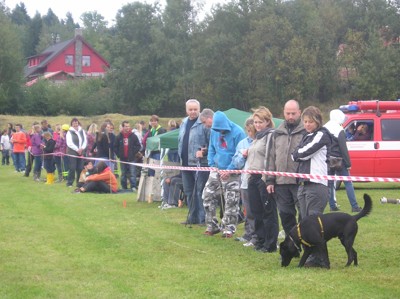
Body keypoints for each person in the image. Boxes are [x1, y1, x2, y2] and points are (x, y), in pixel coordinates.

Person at [291, 106, 331, 268]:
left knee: (315, 224)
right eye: (305, 121)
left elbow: (302, 153)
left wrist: (297, 153)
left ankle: (320, 259)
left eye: (310, 122)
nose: (307, 125)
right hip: (303, 183)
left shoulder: (322, 134)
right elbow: (294, 154)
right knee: (304, 223)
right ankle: (311, 256)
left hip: (317, 184)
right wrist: (297, 153)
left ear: (317, 121)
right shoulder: (306, 136)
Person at [202, 111, 246, 238]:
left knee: (231, 200)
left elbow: (240, 154)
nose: (219, 132)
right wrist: (211, 165)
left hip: (232, 172)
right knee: (207, 196)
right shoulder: (214, 132)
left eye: (222, 129)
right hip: (216, 170)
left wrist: (229, 169)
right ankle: (212, 225)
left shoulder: (238, 132)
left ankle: (229, 228)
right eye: (217, 129)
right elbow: (211, 149)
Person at [266, 99, 305, 237]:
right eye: (288, 113)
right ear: (283, 112)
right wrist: (270, 180)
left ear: (299, 112)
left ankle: (306, 242)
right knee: (285, 215)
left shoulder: (306, 132)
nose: (290, 116)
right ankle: (292, 243)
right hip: (281, 182)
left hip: (299, 182)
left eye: (293, 113)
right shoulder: (277, 133)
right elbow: (270, 157)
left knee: (304, 216)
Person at [245, 106, 279, 252]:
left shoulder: (270, 135)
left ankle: (270, 243)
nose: (257, 125)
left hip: (263, 177)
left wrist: (267, 178)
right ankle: (260, 240)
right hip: (252, 177)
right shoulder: (256, 138)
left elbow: (270, 158)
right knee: (256, 212)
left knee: (268, 212)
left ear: (267, 121)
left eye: (260, 122)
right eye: (256, 122)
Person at [178, 101, 212, 225]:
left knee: (200, 192)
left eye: (195, 109)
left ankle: (203, 219)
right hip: (185, 163)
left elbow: (212, 143)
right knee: (189, 191)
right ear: (186, 110)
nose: (193, 111)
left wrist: (205, 153)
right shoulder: (183, 123)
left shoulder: (204, 124)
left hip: (200, 164)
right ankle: (192, 217)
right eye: (190, 109)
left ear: (199, 109)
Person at [324, 109, 362, 213]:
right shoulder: (339, 129)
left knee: (330, 183)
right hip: (339, 160)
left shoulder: (324, 127)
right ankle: (354, 206)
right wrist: (348, 164)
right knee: (348, 183)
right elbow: (343, 148)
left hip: (327, 159)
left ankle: (332, 206)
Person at [231, 117, 257, 246]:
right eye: (248, 131)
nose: (250, 134)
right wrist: (242, 156)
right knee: (247, 209)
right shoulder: (242, 143)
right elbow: (236, 163)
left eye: (252, 131)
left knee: (255, 209)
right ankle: (248, 234)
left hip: (258, 180)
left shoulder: (261, 141)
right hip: (245, 180)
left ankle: (256, 235)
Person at [114, 121, 141, 192]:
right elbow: (115, 147)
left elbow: (138, 146)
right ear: (123, 127)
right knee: (123, 173)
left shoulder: (133, 136)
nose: (127, 128)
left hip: (131, 158)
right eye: (126, 126)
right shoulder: (119, 137)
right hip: (123, 159)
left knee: (132, 173)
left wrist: (133, 153)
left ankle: (133, 187)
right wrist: (119, 155)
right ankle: (124, 187)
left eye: (128, 126)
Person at [66, 118, 87, 187]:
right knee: (72, 168)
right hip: (72, 152)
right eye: (74, 123)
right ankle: (69, 182)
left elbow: (85, 141)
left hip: (81, 152)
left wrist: (82, 148)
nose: (75, 124)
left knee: (80, 168)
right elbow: (69, 143)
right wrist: (77, 149)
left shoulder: (82, 131)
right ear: (72, 124)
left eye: (76, 123)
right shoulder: (69, 132)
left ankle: (79, 182)